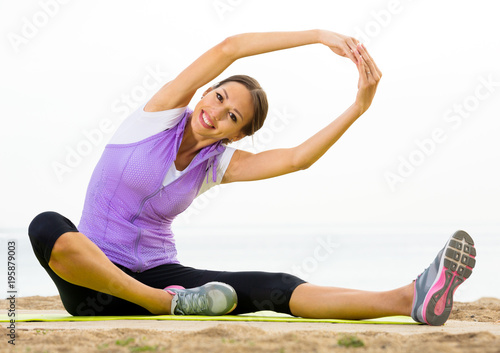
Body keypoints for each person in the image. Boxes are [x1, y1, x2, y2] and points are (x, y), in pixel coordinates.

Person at [28, 30, 476, 325]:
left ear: (238, 134)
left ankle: (408, 299)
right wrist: (319, 36)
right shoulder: (156, 119)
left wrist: (359, 106)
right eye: (218, 97)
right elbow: (230, 49)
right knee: (47, 226)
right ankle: (164, 304)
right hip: (95, 283)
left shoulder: (219, 164)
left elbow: (299, 157)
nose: (214, 112)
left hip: (165, 274)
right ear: (205, 90)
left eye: (231, 116)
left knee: (274, 285)